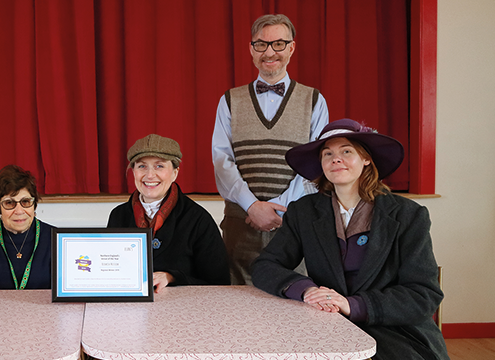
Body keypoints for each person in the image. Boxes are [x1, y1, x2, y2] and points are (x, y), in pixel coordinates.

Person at [252, 119, 449, 359]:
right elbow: (265, 266)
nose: (336, 159)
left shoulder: (409, 215)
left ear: (366, 159)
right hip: (325, 324)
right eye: (327, 154)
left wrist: (352, 305)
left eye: (346, 151)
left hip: (394, 332)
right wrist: (306, 290)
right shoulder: (303, 211)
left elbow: (423, 294)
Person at [212, 14, 329, 285]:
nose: (269, 52)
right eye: (261, 44)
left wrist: (279, 209)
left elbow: (317, 162)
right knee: (238, 301)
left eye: (278, 44)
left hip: (294, 221)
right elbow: (222, 160)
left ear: (291, 48)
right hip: (241, 223)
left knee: (293, 297)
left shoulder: (314, 100)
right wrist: (252, 206)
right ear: (251, 50)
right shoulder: (230, 100)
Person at [108, 134, 231, 293]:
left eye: (159, 166)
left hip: (184, 311)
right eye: (142, 166)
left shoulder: (198, 219)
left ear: (175, 173)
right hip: (130, 309)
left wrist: (172, 277)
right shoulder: (118, 216)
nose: (150, 175)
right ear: (133, 172)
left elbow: (219, 284)